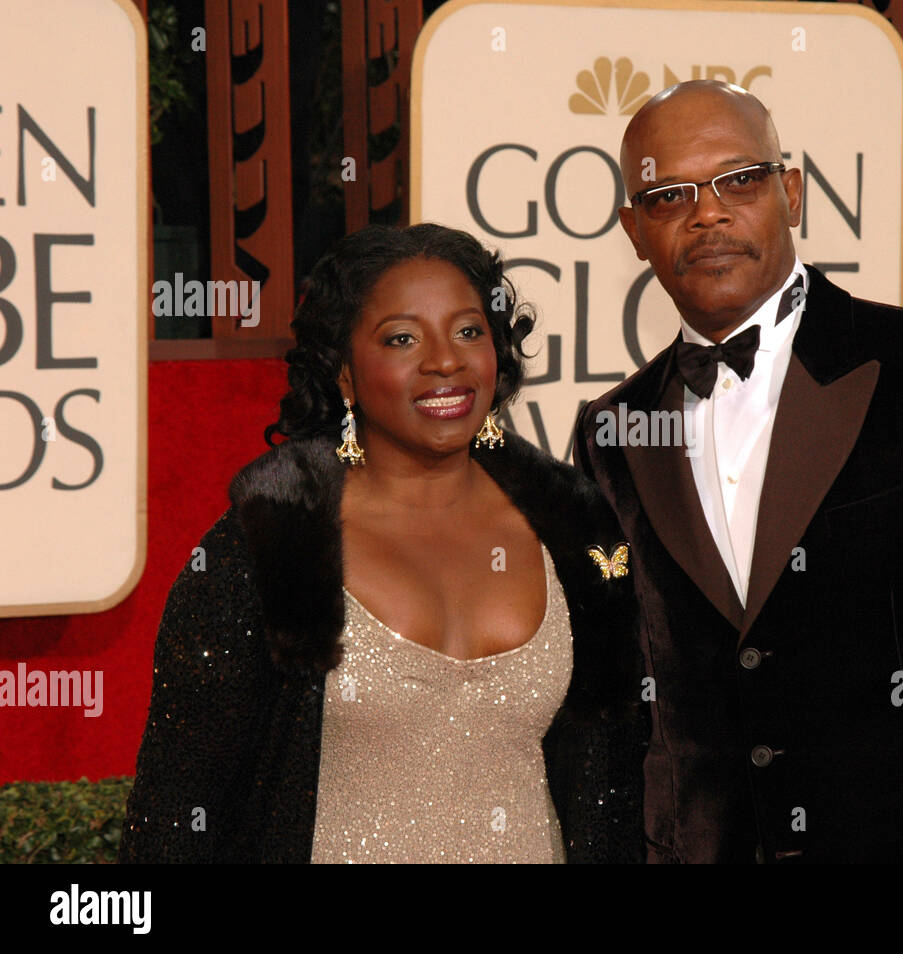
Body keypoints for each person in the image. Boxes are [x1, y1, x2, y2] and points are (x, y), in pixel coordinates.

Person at [572, 80, 903, 863]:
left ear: (789, 192)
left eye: (740, 179)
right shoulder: (611, 433)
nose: (708, 213)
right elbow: (620, 693)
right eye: (668, 195)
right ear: (634, 229)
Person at [121, 223, 645, 863]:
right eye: (402, 338)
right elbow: (177, 812)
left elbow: (615, 787)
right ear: (343, 372)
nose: (444, 360)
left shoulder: (577, 532)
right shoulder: (269, 543)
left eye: (468, 331)